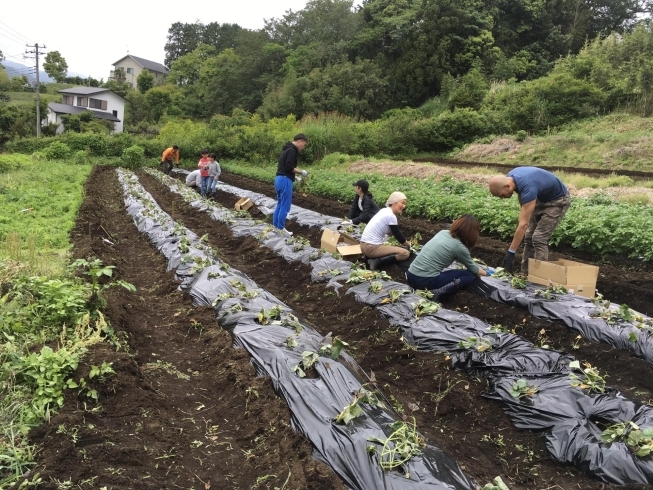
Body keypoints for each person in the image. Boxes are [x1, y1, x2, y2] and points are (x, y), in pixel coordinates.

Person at [489, 166, 570, 274]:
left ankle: (539, 277)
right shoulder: (511, 178)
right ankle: (525, 274)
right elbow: (523, 201)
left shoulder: (528, 187)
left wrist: (511, 252)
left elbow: (523, 224)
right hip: (540, 198)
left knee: (539, 237)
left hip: (557, 201)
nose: (501, 198)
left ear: (507, 186)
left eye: (501, 195)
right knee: (528, 237)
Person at [407, 215, 490, 300]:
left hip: (410, 275)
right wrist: (487, 273)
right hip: (424, 281)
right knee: (468, 275)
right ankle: (438, 291)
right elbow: (473, 269)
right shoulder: (459, 247)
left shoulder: (443, 232)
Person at [360, 192, 411, 270]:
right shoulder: (391, 216)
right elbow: (398, 236)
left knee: (394, 248)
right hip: (371, 248)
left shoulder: (384, 211)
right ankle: (377, 261)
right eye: (402, 203)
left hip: (363, 246)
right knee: (405, 253)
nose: (404, 206)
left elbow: (391, 232)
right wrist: (408, 244)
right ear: (394, 202)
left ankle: (368, 258)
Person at [273, 134, 309, 235]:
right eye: (304, 144)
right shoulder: (292, 150)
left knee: (280, 204)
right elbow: (289, 167)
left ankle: (276, 227)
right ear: (300, 141)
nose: (303, 147)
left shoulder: (286, 149)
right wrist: (301, 172)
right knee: (285, 206)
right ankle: (280, 229)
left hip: (279, 179)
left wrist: (295, 177)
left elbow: (284, 167)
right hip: (285, 181)